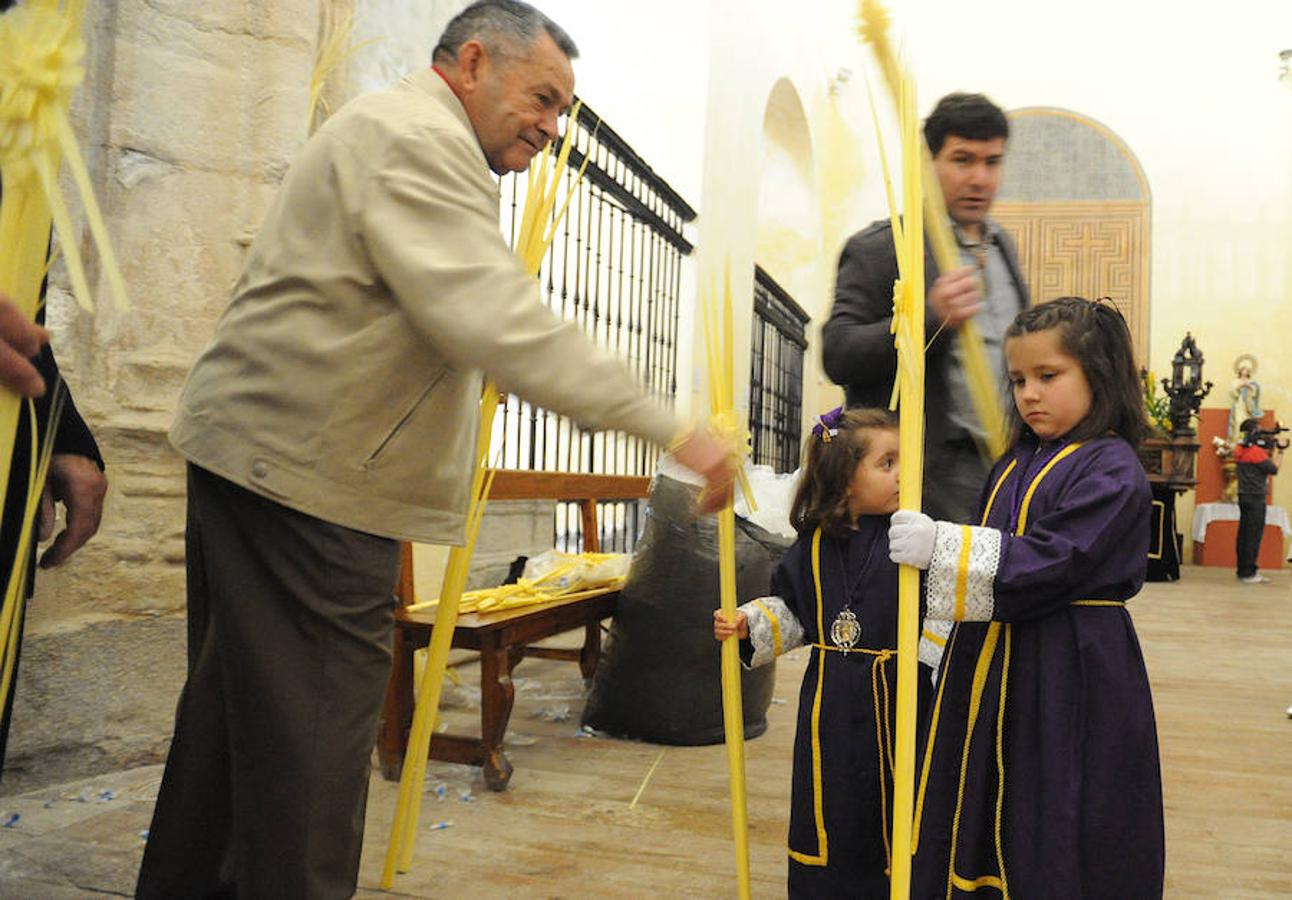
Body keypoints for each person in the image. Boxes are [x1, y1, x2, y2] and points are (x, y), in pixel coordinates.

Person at [136, 3, 733, 897]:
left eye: (563, 110)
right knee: (308, 769)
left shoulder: (398, 129)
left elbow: (428, 311)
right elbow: (498, 319)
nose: (551, 127)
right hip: (311, 488)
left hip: (274, 463)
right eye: (542, 98)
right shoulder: (419, 140)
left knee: (232, 745)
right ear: (473, 62)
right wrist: (674, 429)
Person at [888, 297, 1163, 897]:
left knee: (1054, 796)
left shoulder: (1112, 469)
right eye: (1017, 380)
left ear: (1099, 375)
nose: (1029, 394)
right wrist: (936, 646)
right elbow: (987, 553)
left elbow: (1058, 560)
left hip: (1070, 666)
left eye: (1048, 375)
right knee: (985, 791)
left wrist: (943, 545)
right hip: (993, 660)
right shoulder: (1012, 464)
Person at [714, 407, 929, 898]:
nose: (904, 474)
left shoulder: (913, 540)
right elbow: (796, 613)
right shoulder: (812, 547)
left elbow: (940, 616)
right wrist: (749, 623)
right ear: (845, 479)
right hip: (831, 707)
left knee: (900, 803)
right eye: (888, 463)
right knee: (832, 801)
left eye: (906, 461)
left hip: (901, 698)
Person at [822, 93, 1028, 523]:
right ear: (928, 164)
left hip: (1004, 465)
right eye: (962, 160)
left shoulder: (1002, 247)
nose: (979, 178)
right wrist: (928, 318)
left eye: (992, 162)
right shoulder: (883, 247)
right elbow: (838, 353)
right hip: (924, 473)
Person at [1231, 417, 1283, 584]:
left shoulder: (1239, 450)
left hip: (1243, 496)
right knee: (1253, 536)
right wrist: (1281, 451)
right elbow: (1273, 469)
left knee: (1244, 535)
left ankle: (1242, 570)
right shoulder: (1255, 452)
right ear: (1254, 432)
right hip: (1256, 498)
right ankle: (1249, 573)